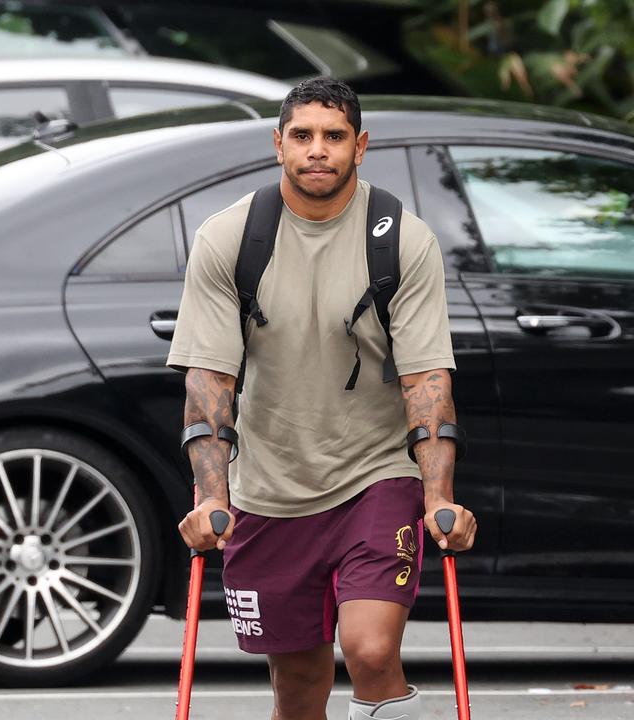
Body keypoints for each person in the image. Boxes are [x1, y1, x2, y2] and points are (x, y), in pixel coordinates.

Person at [168, 77, 476, 720]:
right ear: (277, 144)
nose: (318, 150)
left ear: (360, 146)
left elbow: (427, 381)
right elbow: (209, 382)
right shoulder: (230, 238)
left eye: (334, 137)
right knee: (301, 685)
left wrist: (438, 495)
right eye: (302, 136)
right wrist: (212, 500)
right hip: (271, 488)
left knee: (368, 650)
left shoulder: (401, 239)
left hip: (374, 474)